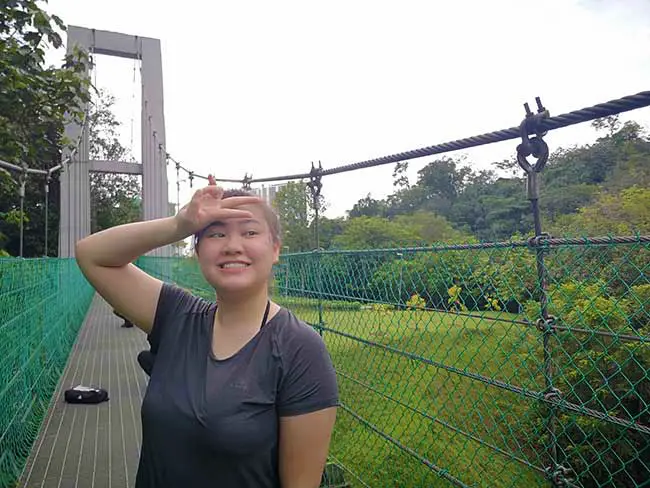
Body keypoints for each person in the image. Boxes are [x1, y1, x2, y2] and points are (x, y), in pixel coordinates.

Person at [75, 177, 339, 488]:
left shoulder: (300, 349)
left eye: (250, 232)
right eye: (216, 233)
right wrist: (179, 224)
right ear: (198, 251)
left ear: (276, 249)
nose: (232, 246)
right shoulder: (177, 316)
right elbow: (91, 254)